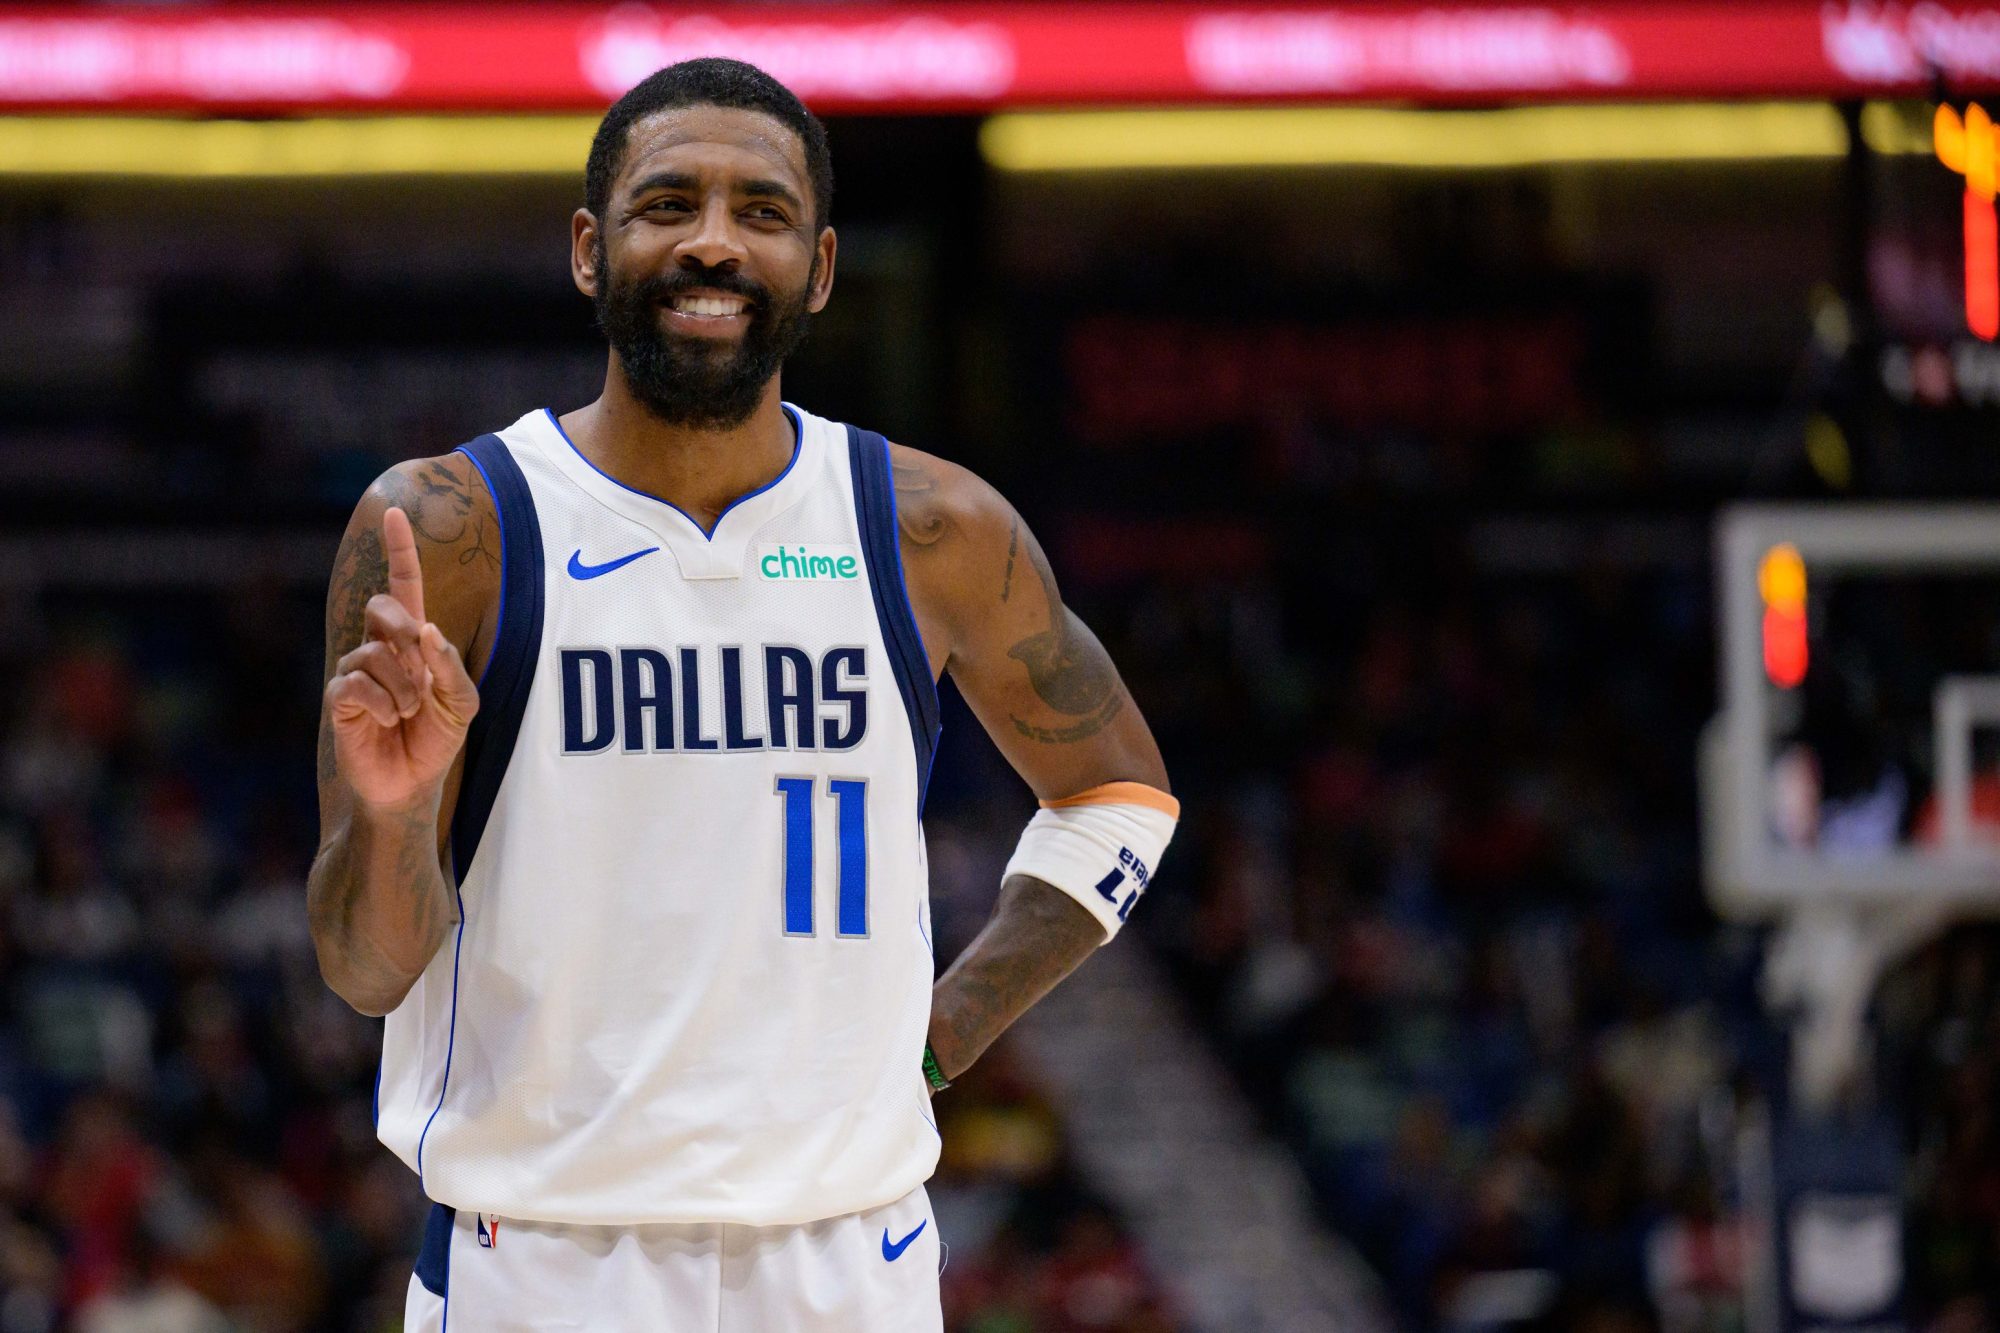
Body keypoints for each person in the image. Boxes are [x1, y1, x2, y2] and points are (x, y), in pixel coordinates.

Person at [306, 57, 1176, 1331]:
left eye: (759, 212)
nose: (713, 242)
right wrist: (394, 814)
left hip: (849, 1259)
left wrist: (939, 1036)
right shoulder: (449, 527)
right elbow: (365, 970)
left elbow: (1117, 801)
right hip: (543, 1258)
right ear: (590, 252)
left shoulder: (930, 526)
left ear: (819, 269)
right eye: (669, 205)